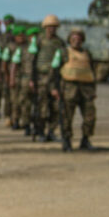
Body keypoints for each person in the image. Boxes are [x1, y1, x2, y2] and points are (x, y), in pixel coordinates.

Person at [50, 28, 97, 152]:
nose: (76, 40)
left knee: (90, 116)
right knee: (66, 116)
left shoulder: (87, 53)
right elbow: (54, 71)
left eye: (79, 38)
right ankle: (67, 141)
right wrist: (54, 88)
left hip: (86, 89)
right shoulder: (63, 52)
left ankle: (86, 139)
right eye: (74, 38)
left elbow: (92, 72)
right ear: (70, 39)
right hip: (68, 88)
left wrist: (93, 90)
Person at [30, 14, 65, 142]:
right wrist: (31, 79)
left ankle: (51, 131)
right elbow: (32, 61)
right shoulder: (39, 40)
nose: (52, 29)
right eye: (50, 27)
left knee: (56, 107)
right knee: (41, 106)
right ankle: (40, 131)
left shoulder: (60, 42)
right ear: (45, 27)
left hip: (55, 78)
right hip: (40, 77)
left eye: (54, 27)